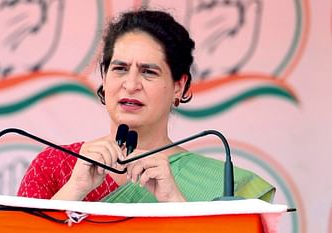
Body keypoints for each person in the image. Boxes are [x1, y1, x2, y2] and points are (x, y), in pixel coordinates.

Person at [17, 9, 275, 203]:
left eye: (149, 72)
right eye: (119, 69)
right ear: (104, 79)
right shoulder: (54, 165)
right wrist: (74, 190)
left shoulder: (221, 184)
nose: (131, 84)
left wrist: (175, 203)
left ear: (179, 86)